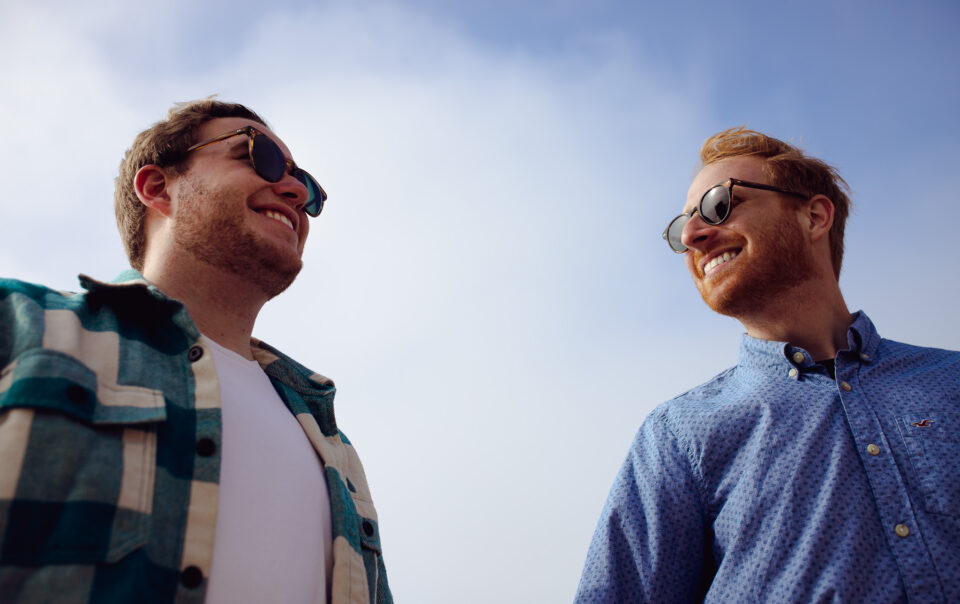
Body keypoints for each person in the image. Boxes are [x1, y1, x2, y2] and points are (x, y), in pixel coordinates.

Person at [0, 100, 392, 603]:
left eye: (308, 188)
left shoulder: (334, 449)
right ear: (158, 188)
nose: (295, 191)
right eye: (260, 156)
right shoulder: (22, 325)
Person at [575, 127, 960, 602]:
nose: (693, 236)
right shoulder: (678, 434)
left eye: (718, 204)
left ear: (814, 216)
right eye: (681, 228)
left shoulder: (952, 382)